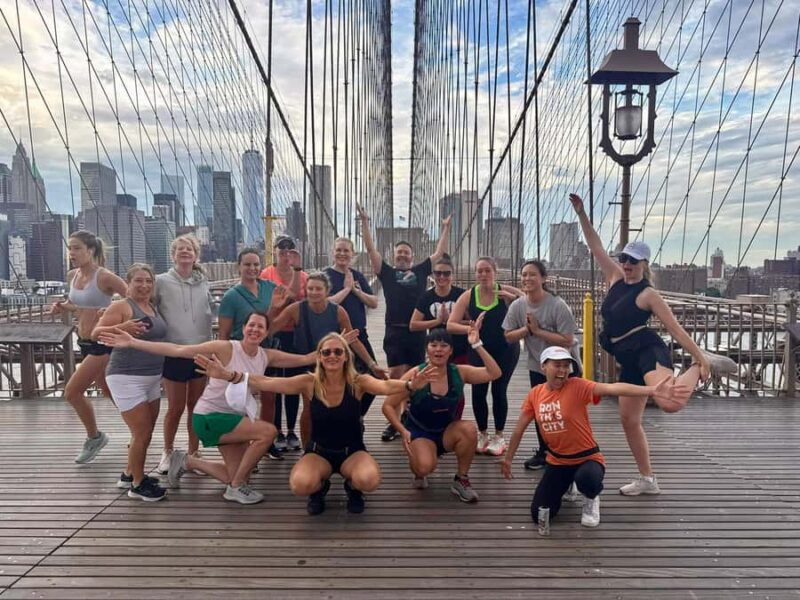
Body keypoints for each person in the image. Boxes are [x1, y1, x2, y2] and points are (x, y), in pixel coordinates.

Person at [568, 192, 735, 496]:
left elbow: (676, 329)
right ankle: (648, 479)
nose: (626, 264)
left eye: (632, 260)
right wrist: (581, 214)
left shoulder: (649, 295)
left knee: (670, 403)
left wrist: (699, 356)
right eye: (623, 259)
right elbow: (596, 248)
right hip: (626, 357)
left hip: (647, 351)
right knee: (629, 420)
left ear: (644, 264)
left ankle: (701, 365)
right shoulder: (615, 278)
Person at [195, 332, 439, 515]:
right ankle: (318, 487)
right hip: (319, 452)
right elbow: (265, 382)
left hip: (351, 452)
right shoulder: (308, 382)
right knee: (300, 485)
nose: (332, 356)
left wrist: (408, 386)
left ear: (346, 357)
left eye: (338, 352)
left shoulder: (358, 382)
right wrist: (228, 375)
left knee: (369, 480)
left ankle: (352, 486)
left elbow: (385, 386)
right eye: (326, 352)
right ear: (319, 357)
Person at [98, 311, 319, 504]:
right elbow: (177, 349)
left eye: (260, 326)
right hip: (209, 417)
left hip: (233, 420)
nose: (255, 329)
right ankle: (234, 489)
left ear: (266, 333)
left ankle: (186, 461)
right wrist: (133, 342)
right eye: (251, 324)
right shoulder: (225, 348)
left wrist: (336, 345)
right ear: (243, 328)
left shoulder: (266, 355)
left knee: (237, 473)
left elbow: (306, 359)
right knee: (268, 432)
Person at [501, 346, 691, 529]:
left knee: (588, 479)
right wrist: (508, 458)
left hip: (587, 458)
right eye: (557, 365)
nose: (562, 370)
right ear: (543, 366)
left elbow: (613, 388)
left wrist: (651, 391)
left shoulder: (577, 386)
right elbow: (519, 429)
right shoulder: (535, 394)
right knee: (539, 514)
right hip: (558, 461)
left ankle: (591, 498)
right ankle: (568, 484)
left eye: (566, 366)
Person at [357, 203, 452, 441]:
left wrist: (445, 229)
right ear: (394, 255)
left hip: (417, 332)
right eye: (399, 252)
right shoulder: (386, 272)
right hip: (394, 332)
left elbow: (439, 254)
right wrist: (365, 223)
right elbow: (370, 250)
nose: (402, 255)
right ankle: (396, 420)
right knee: (398, 376)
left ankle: (410, 417)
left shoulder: (421, 271)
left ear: (411, 257)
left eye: (406, 253)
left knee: (417, 375)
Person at [383, 316, 500, 502]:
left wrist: (476, 344)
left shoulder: (459, 372)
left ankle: (461, 480)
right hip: (419, 432)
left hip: (446, 431)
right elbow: (388, 405)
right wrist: (402, 431)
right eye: (434, 345)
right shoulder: (415, 374)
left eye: (444, 345)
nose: (438, 349)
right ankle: (418, 464)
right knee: (424, 467)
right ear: (427, 349)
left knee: (468, 429)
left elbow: (494, 373)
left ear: (451, 350)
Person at [91, 264, 168, 502]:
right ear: (129, 283)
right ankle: (137, 484)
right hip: (126, 376)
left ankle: (129, 473)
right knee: (141, 432)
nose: (144, 285)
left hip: (152, 377)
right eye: (138, 281)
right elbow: (95, 333)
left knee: (144, 432)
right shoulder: (121, 306)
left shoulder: (151, 306)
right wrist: (121, 327)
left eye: (148, 281)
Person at [51, 231, 129, 464]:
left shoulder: (105, 277)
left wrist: (114, 312)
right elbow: (77, 304)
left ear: (91, 251)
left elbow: (134, 300)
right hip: (84, 341)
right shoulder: (72, 275)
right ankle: (139, 427)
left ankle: (95, 437)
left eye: (76, 248)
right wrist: (63, 307)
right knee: (108, 390)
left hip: (102, 342)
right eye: (70, 248)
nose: (72, 253)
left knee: (72, 392)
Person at [502, 259, 580, 471]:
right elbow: (508, 336)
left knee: (566, 412)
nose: (527, 278)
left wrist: (537, 332)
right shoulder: (518, 306)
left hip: (565, 367)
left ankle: (568, 453)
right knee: (542, 411)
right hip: (539, 366)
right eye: (524, 274)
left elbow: (567, 339)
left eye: (532, 274)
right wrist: (527, 331)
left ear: (543, 278)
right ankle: (545, 452)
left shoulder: (557, 305)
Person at [447, 256, 523, 456]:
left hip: (506, 350)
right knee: (478, 392)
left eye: (487, 270)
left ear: (495, 272)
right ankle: (482, 434)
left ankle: (499, 436)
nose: (483, 274)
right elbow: (450, 324)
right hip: (478, 349)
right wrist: (471, 329)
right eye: (479, 271)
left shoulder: (505, 291)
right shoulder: (468, 295)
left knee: (499, 390)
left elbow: (530, 305)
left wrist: (512, 300)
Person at [154, 235, 214, 474]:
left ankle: (193, 453)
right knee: (176, 407)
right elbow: (144, 305)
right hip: (174, 350)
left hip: (200, 349)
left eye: (189, 249)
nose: (184, 252)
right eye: (180, 249)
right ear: (173, 255)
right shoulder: (161, 281)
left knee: (196, 406)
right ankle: (167, 451)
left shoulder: (203, 282)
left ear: (196, 255)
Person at [218, 247, 282, 459]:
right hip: (241, 353)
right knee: (243, 400)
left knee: (269, 396)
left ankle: (266, 440)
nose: (252, 268)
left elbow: (285, 303)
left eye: (256, 264)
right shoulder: (230, 297)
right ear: (239, 267)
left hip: (266, 350)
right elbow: (224, 333)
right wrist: (224, 362)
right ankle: (245, 443)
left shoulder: (270, 288)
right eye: (247, 264)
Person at [269, 272, 387, 380]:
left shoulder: (338, 312)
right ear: (306, 290)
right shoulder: (295, 309)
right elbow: (270, 330)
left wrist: (372, 365)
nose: (314, 292)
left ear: (327, 291)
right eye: (310, 288)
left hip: (329, 360)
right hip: (304, 362)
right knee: (308, 398)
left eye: (318, 289)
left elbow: (353, 340)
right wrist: (274, 308)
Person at [260, 235, 308, 452]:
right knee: (275, 385)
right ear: (275, 252)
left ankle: (291, 430)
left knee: (293, 385)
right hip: (274, 334)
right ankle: (277, 430)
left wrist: (297, 271)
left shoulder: (304, 276)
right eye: (282, 250)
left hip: (295, 336)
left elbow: (298, 299)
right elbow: (285, 298)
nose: (286, 254)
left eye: (290, 250)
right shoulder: (266, 274)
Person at [324, 237, 379, 416]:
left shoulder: (358, 275)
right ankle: (343, 421)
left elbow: (374, 302)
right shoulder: (325, 276)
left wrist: (355, 289)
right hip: (334, 341)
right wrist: (346, 290)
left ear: (352, 254)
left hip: (359, 336)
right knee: (338, 383)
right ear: (332, 252)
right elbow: (325, 304)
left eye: (346, 250)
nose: (342, 254)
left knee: (375, 378)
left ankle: (356, 416)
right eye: (338, 250)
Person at [409, 255, 469, 364]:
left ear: (452, 276)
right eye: (438, 273)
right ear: (433, 275)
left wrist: (451, 321)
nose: (442, 276)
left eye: (446, 273)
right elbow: (413, 325)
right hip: (437, 351)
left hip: (460, 349)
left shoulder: (462, 295)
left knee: (457, 380)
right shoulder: (426, 297)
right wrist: (438, 321)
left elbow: (472, 323)